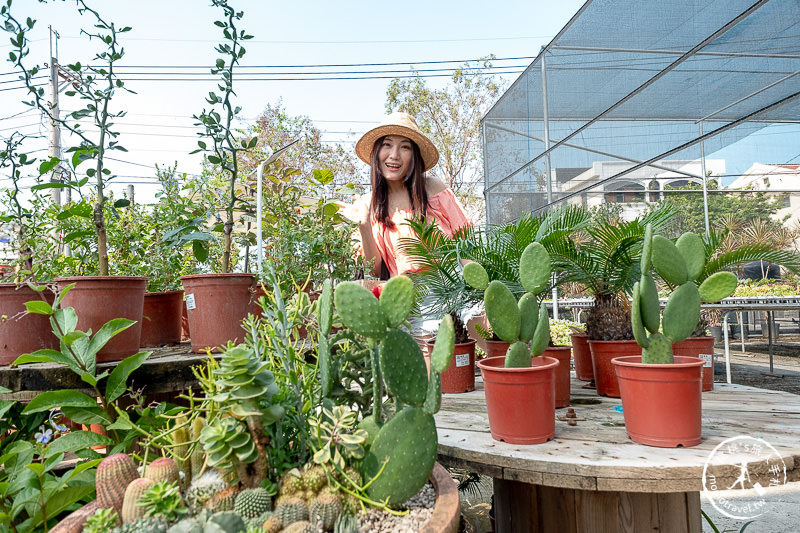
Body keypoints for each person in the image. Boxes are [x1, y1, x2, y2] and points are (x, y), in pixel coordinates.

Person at [352, 112, 472, 279]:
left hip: (454, 288)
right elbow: (375, 271)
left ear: (414, 155)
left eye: (405, 147)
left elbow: (466, 241)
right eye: (387, 144)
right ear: (377, 152)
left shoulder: (433, 188)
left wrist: (476, 291)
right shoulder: (366, 203)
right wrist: (364, 226)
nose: (394, 155)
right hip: (405, 297)